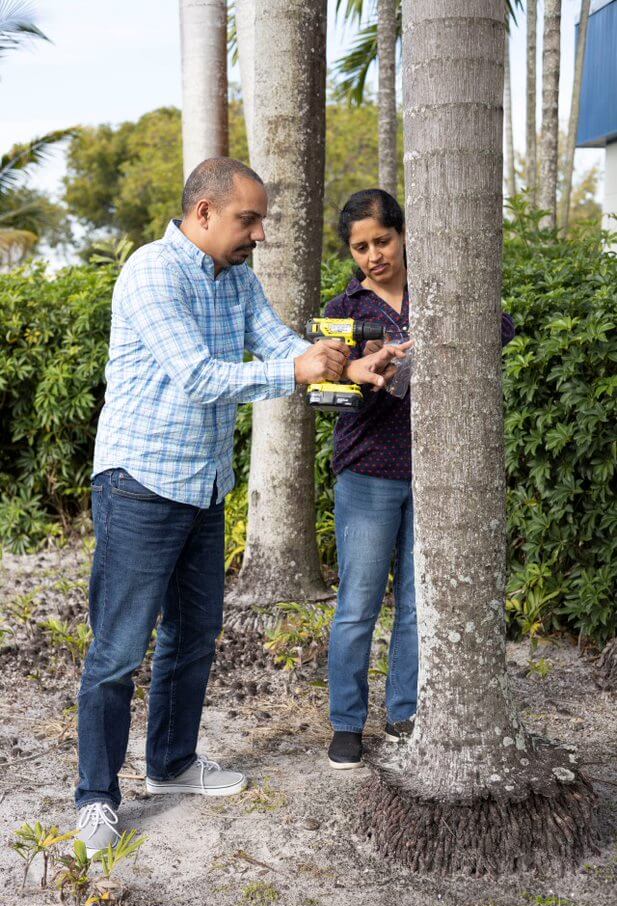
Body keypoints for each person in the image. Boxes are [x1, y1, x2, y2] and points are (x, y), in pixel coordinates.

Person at [76, 159, 406, 856]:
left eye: (259, 221)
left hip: (202, 484)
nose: (259, 233)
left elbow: (280, 339)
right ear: (202, 214)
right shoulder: (152, 273)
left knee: (193, 637)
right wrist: (293, 370)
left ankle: (169, 765)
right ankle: (96, 798)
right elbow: (197, 375)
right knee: (117, 652)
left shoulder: (239, 279)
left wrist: (345, 367)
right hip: (139, 483)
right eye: (247, 220)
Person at [325, 189, 516, 770]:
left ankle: (405, 712)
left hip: (439, 474)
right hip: (366, 474)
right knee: (358, 604)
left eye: (381, 241)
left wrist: (444, 336)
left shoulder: (437, 291)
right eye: (360, 247)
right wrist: (364, 369)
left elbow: (500, 331)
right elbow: (323, 394)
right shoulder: (345, 308)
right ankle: (346, 724)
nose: (373, 256)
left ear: (403, 234)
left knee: (415, 603)